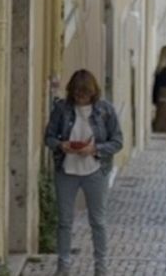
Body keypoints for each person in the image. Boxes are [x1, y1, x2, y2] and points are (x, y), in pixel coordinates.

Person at [45, 69, 124, 274]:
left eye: (85, 94)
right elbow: (49, 138)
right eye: (78, 94)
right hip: (66, 171)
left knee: (98, 221)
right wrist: (62, 145)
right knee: (64, 221)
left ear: (93, 92)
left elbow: (117, 141)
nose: (81, 98)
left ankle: (101, 266)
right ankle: (63, 266)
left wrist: (95, 149)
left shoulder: (105, 111)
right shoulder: (61, 109)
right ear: (72, 92)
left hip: (96, 171)